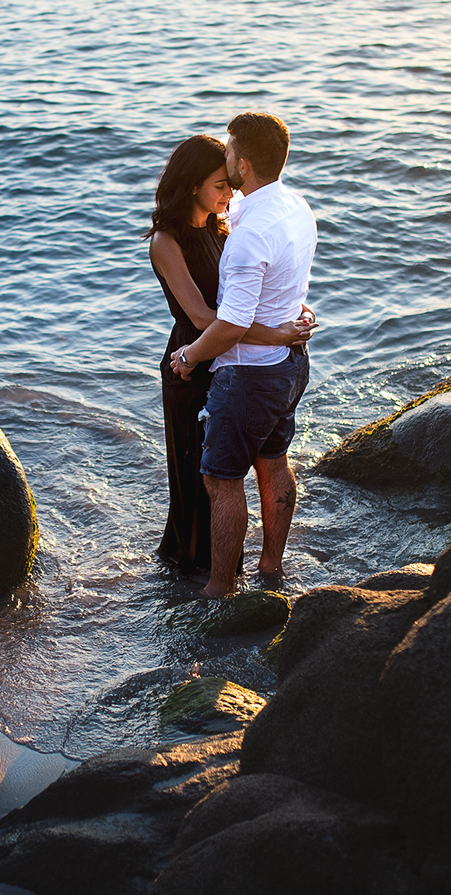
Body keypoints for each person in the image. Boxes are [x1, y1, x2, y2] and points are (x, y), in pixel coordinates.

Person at [145, 134, 315, 575]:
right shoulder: (167, 242)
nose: (230, 193)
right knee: (197, 473)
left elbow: (257, 286)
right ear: (191, 185)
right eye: (219, 186)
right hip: (192, 359)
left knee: (230, 472)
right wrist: (277, 336)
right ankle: (190, 566)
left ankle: (229, 568)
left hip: (232, 352)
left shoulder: (226, 223)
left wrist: (295, 310)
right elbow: (204, 318)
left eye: (230, 184)